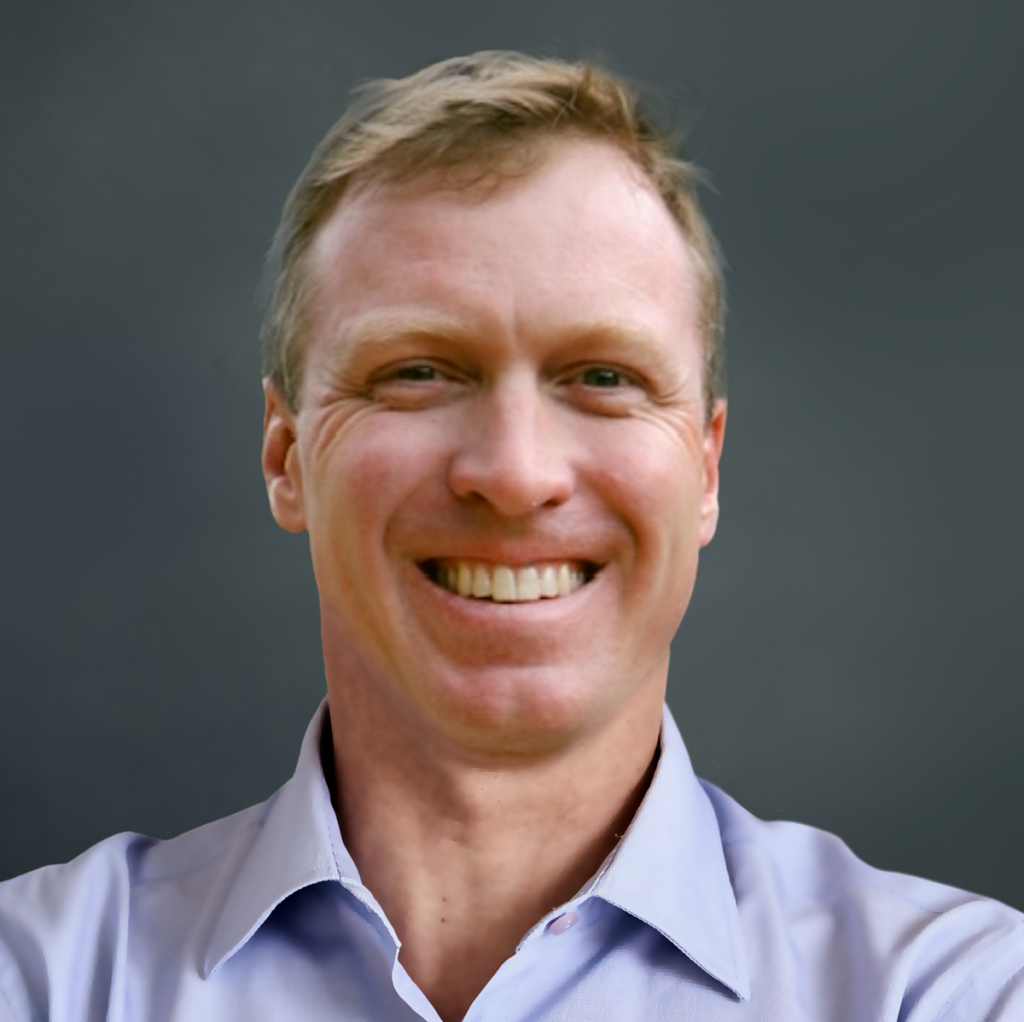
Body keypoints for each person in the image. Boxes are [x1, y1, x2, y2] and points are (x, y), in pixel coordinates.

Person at [0, 50, 1021, 1022]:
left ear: (703, 467)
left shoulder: (950, 993)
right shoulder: (42, 974)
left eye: (604, 377)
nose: (516, 472)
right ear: (285, 454)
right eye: (417, 371)